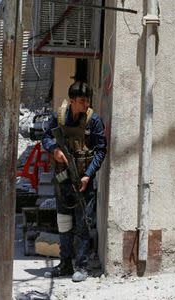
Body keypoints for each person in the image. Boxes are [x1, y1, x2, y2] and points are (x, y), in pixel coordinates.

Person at [42, 81, 107, 282]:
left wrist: (88, 174)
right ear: (72, 101)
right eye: (81, 101)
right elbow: (45, 137)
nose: (86, 104)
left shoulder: (93, 120)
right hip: (63, 180)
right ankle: (64, 265)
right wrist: (55, 150)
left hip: (82, 182)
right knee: (63, 223)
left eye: (88, 100)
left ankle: (81, 266)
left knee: (82, 225)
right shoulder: (58, 117)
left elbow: (100, 150)